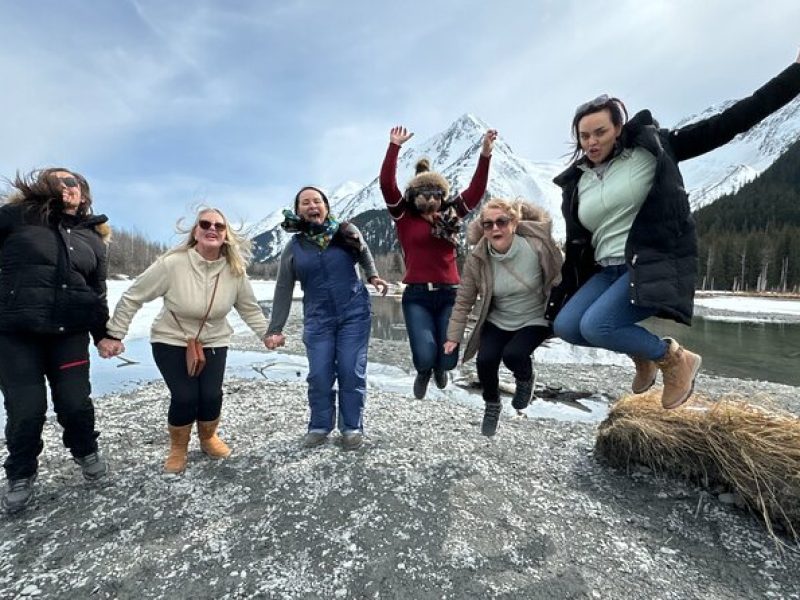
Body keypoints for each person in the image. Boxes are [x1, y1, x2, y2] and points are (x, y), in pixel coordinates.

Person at [547, 50, 800, 410]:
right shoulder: (579, 180)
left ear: (618, 128)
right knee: (568, 326)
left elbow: (732, 121)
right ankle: (642, 353)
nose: (592, 142)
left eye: (600, 131)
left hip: (647, 262)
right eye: (584, 136)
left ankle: (673, 358)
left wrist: (795, 74)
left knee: (598, 326)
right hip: (606, 270)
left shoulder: (654, 149)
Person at [98, 208, 270, 474]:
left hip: (214, 340)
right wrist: (115, 334)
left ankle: (208, 438)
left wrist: (267, 335)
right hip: (171, 339)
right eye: (205, 224)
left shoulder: (235, 271)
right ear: (196, 232)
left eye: (219, 226)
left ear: (226, 236)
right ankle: (178, 448)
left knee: (211, 394)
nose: (212, 228)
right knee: (185, 396)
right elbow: (133, 296)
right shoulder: (172, 264)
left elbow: (249, 308)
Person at [0, 168, 111, 514]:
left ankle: (85, 451)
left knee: (76, 402)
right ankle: (20, 473)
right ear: (44, 186)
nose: (68, 187)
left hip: (70, 333)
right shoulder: (15, 218)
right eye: (59, 180)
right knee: (27, 408)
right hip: (16, 333)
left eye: (74, 182)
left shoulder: (93, 237)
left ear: (84, 192)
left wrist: (103, 334)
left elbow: (97, 292)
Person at [265, 186, 388, 450]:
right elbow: (283, 287)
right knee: (319, 374)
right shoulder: (294, 247)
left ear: (326, 207)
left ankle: (351, 427)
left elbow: (364, 251)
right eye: (305, 202)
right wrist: (275, 328)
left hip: (353, 314)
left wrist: (373, 275)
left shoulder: (346, 232)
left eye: (317, 201)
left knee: (350, 371)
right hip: (318, 318)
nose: (312, 206)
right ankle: (320, 425)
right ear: (298, 211)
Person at [380, 125, 497, 399]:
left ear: (443, 196)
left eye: (436, 195)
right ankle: (423, 371)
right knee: (424, 355)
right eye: (425, 195)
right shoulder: (403, 216)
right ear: (413, 196)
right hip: (417, 296)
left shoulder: (451, 215)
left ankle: (441, 369)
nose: (431, 200)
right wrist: (394, 146)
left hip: (450, 295)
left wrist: (485, 155)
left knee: (447, 359)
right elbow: (387, 185)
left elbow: (476, 191)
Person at [444, 199, 562, 436]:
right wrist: (453, 336)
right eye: (488, 224)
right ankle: (492, 405)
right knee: (485, 361)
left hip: (535, 317)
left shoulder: (537, 246)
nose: (495, 228)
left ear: (514, 223)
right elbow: (464, 299)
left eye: (501, 222)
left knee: (514, 355)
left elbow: (563, 276)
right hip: (498, 318)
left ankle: (525, 379)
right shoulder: (478, 258)